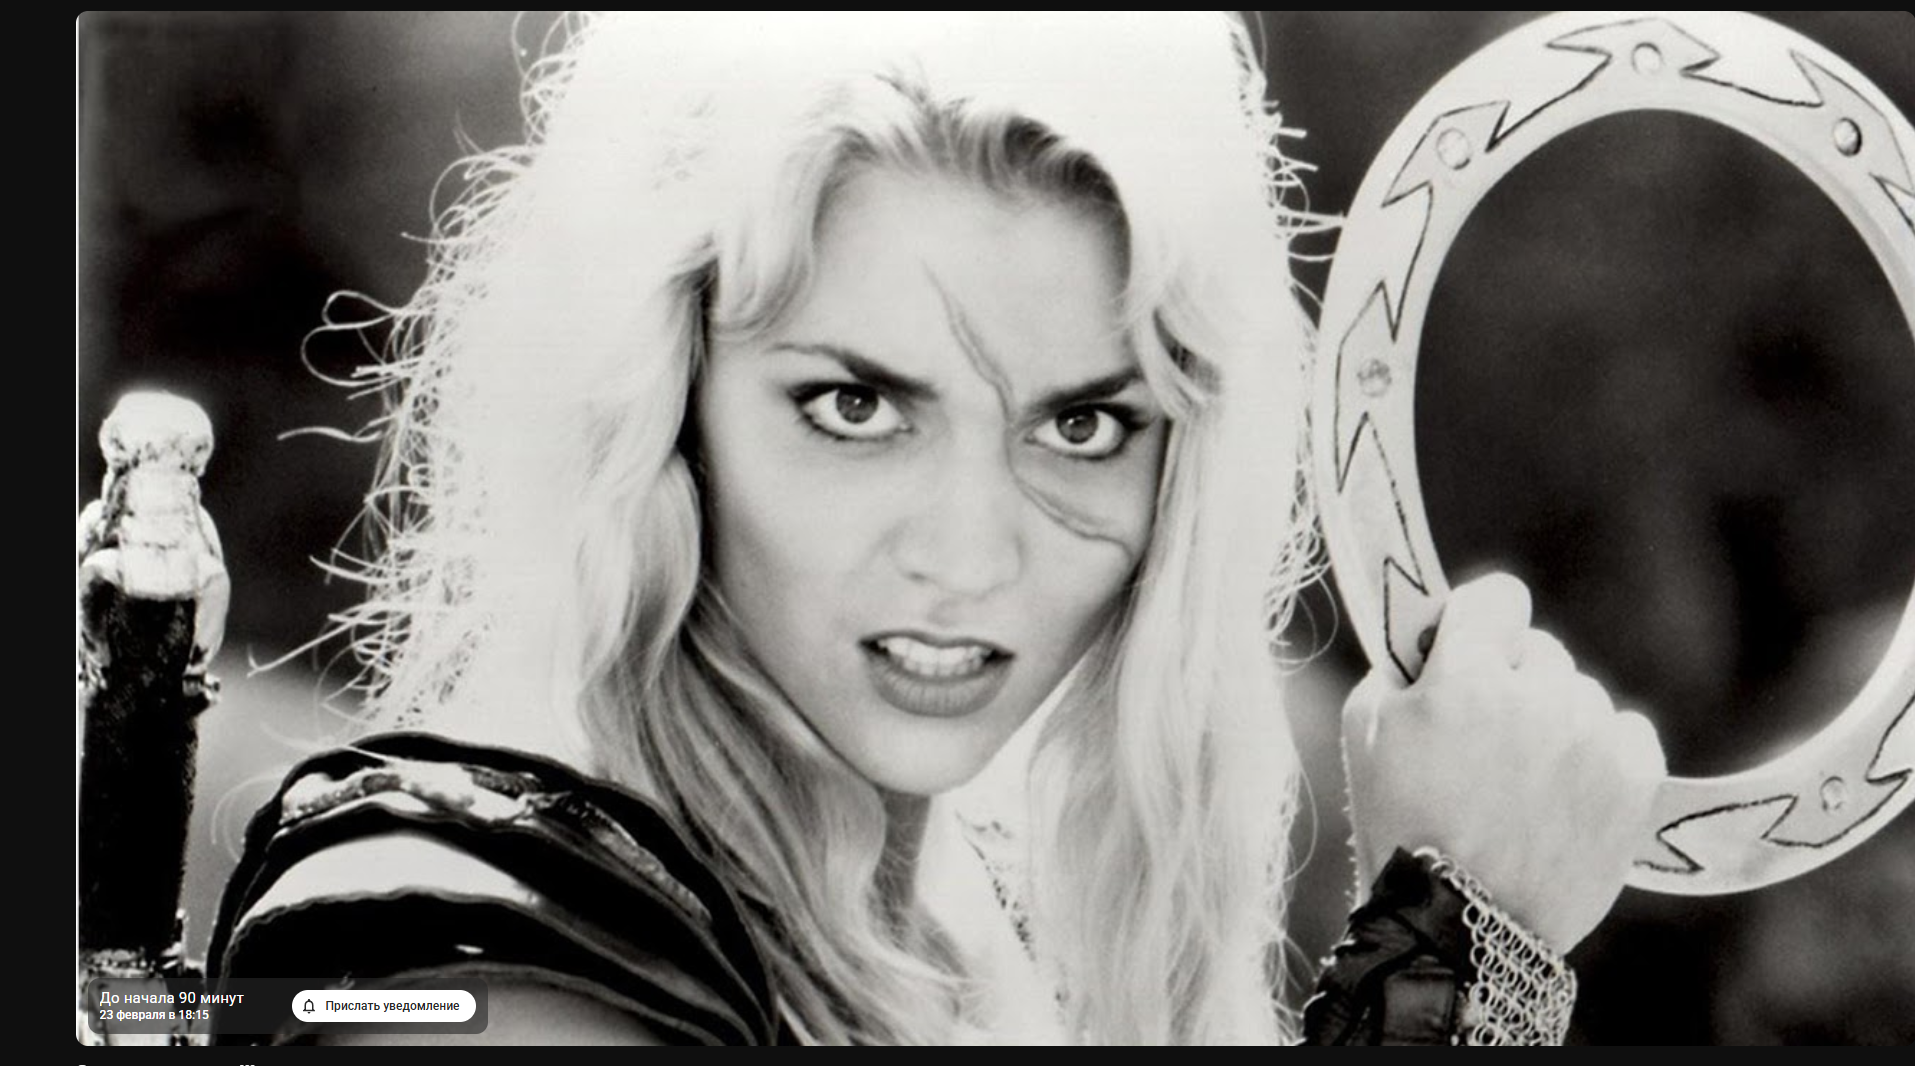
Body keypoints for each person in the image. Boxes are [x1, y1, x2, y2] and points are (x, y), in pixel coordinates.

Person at [209, 12, 1663, 1044]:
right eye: (854, 406)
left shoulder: (983, 934)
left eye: (1081, 426)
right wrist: (1454, 964)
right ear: (660, 407)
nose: (970, 557)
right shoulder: (466, 957)